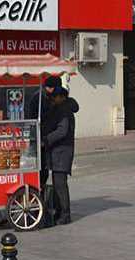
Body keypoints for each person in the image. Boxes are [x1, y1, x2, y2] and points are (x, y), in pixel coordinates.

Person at [43, 87, 79, 226]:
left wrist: (47, 139)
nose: (53, 99)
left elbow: (62, 131)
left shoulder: (65, 111)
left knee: (60, 184)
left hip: (62, 151)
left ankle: (65, 214)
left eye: (55, 97)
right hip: (58, 151)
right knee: (58, 183)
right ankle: (59, 211)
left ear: (62, 97)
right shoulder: (60, 108)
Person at [26, 75, 62, 191]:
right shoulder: (39, 98)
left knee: (44, 169)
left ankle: (40, 193)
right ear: (51, 88)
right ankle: (37, 194)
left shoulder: (46, 97)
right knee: (39, 168)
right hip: (38, 138)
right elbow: (34, 118)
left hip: (45, 138)